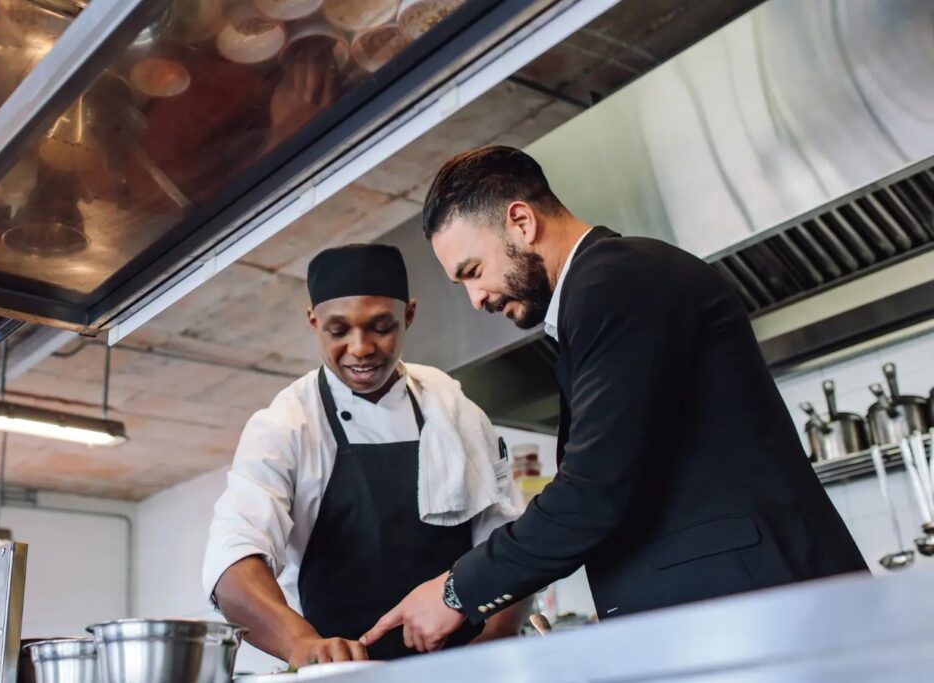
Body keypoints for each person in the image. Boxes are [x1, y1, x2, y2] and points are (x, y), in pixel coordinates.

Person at [361, 146, 868, 653]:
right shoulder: (598, 295)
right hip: (732, 618)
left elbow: (593, 491)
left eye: (472, 271)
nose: (476, 299)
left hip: (761, 615)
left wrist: (455, 592)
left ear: (520, 221)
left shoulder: (617, 282)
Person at [203, 243, 528, 666]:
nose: (360, 348)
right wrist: (300, 643)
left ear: (408, 315)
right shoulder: (286, 424)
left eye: (380, 326)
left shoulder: (452, 407)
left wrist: (495, 640)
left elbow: (507, 544)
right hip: (345, 674)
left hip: (465, 669)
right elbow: (232, 561)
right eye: (338, 331)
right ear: (313, 321)